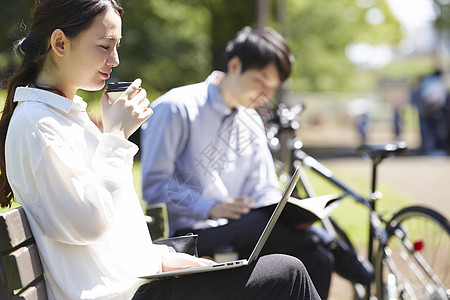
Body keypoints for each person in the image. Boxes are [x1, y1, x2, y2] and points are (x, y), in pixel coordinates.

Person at [0, 1, 321, 299]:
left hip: (132, 282)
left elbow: (112, 226)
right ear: (60, 43)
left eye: (117, 46)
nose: (115, 60)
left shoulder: (63, 117)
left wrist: (162, 258)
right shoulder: (39, 124)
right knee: (287, 273)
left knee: (290, 266)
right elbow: (89, 223)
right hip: (119, 293)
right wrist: (116, 136)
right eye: (104, 47)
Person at [140, 26, 374, 300]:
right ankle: (345, 255)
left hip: (248, 228)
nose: (264, 95)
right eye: (260, 82)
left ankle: (328, 246)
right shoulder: (177, 107)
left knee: (318, 258)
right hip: (191, 234)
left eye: (271, 88)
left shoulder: (250, 120)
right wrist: (212, 207)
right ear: (235, 65)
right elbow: (155, 186)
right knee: (258, 224)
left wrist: (289, 215)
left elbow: (263, 188)